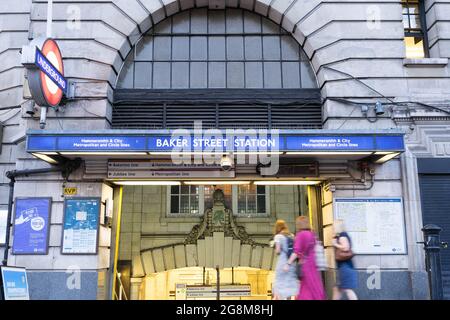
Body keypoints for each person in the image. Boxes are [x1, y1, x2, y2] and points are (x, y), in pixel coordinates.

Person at [285, 216, 326, 300]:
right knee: (314, 287)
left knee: (306, 289)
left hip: (306, 265)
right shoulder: (311, 234)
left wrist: (288, 263)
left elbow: (296, 252)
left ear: (299, 224)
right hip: (313, 264)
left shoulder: (301, 235)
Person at [271, 220, 299, 300]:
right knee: (289, 285)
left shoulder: (278, 236)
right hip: (291, 263)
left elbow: (278, 250)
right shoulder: (291, 236)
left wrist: (275, 247)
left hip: (282, 263)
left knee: (279, 284)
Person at [332, 219, 358, 300]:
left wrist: (335, 244)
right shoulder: (342, 235)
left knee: (348, 289)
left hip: (345, 267)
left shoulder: (343, 235)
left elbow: (346, 247)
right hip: (344, 266)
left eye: (333, 226)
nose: (332, 227)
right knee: (337, 289)